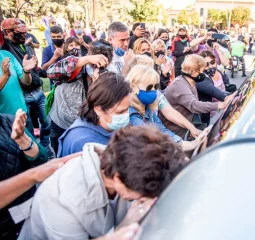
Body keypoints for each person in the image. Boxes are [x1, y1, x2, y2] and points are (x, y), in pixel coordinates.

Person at [19, 125, 187, 239]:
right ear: (118, 180)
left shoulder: (123, 159)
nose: (144, 200)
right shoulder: (62, 201)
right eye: (142, 197)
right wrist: (124, 227)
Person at [46, 37, 108, 155]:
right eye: (97, 61)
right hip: (60, 123)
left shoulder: (106, 74)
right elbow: (50, 72)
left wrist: (98, 84)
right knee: (59, 156)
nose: (98, 67)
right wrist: (86, 60)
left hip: (83, 126)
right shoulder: (76, 63)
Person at [1, 18, 53, 157]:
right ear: (8, 33)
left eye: (26, 32)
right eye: (20, 33)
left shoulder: (23, 46)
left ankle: (44, 150)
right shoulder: (6, 47)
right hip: (24, 97)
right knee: (21, 139)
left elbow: (31, 69)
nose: (25, 35)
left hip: (37, 91)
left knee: (46, 123)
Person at [127, 65, 203, 150]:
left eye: (155, 87)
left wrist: (187, 144)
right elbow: (151, 138)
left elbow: (161, 130)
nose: (153, 91)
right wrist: (187, 146)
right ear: (134, 88)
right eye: (149, 87)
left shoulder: (147, 108)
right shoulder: (132, 114)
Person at [57, 71, 130, 157]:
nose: (126, 115)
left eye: (128, 109)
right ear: (98, 109)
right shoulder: (84, 144)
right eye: (120, 112)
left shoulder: (107, 126)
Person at [0, 109, 48, 239]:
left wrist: (24, 141)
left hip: (30, 214)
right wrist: (32, 176)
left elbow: (42, 159)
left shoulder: (8, 122)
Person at [160, 55, 231, 138]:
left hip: (184, 129)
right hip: (174, 133)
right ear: (193, 72)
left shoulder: (190, 82)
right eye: (202, 71)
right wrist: (219, 105)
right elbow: (194, 105)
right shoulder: (180, 85)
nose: (204, 73)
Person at [198, 50, 231, 125]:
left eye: (212, 62)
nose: (210, 66)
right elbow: (213, 91)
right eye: (206, 65)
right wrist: (225, 97)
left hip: (223, 110)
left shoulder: (220, 72)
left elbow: (226, 85)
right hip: (208, 115)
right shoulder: (202, 78)